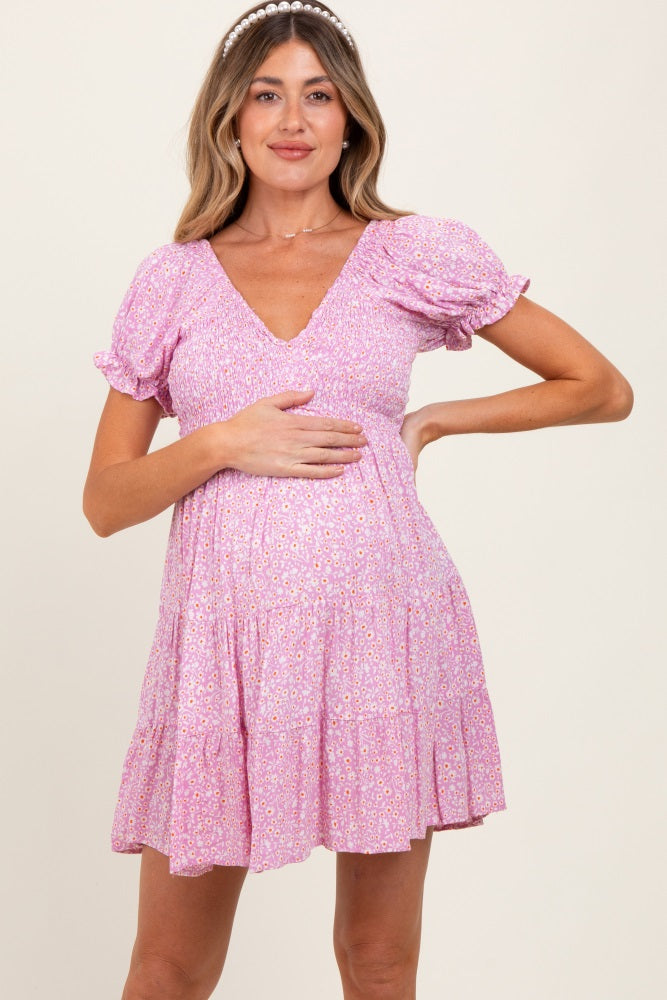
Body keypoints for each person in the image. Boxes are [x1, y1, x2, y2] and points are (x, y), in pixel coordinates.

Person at [83, 4, 633, 998]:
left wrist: (435, 421)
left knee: (377, 956)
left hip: (383, 637)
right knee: (167, 966)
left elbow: (598, 386)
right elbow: (105, 501)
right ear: (230, 117)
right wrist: (221, 442)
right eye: (267, 94)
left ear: (351, 122)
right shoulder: (172, 280)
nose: (293, 119)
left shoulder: (410, 253)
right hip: (223, 655)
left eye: (319, 95)